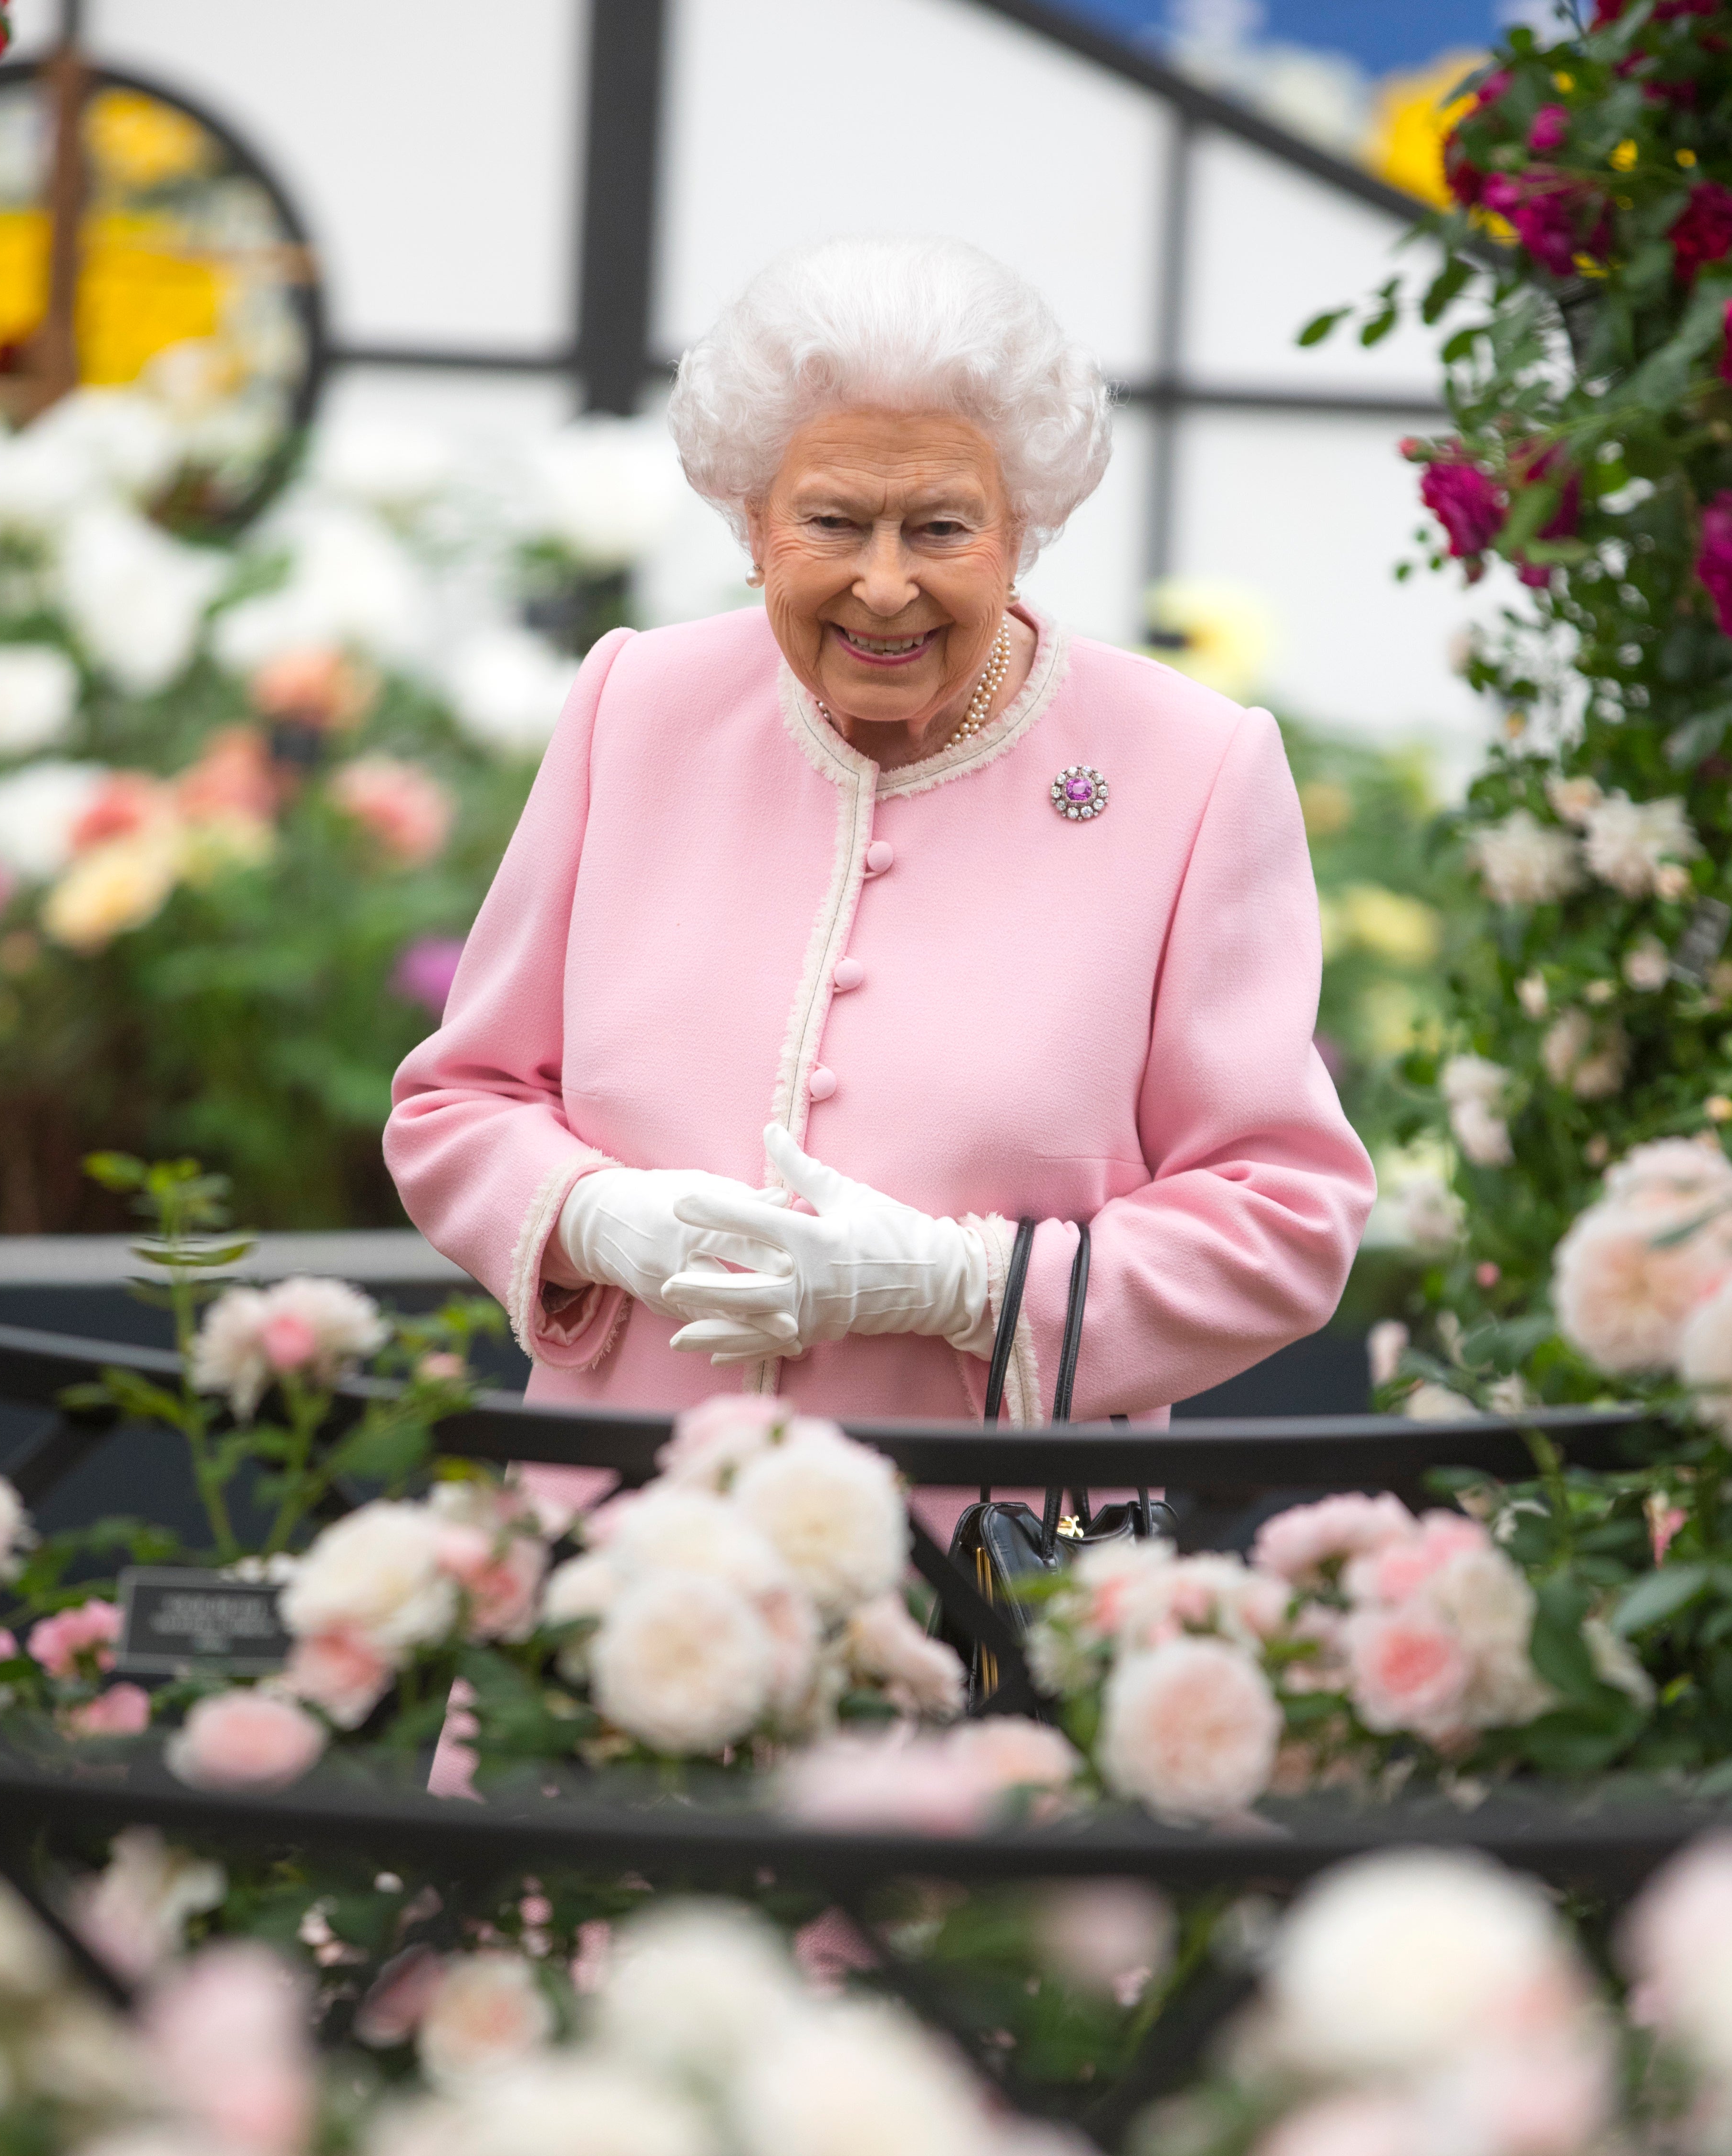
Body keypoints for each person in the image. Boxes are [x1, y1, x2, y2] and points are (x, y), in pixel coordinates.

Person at [384, 235, 1373, 1462]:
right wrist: (591, 1218)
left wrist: (966, 1286)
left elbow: (1285, 1220)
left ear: (1024, 527)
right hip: (618, 1547)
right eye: (834, 522)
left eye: (942, 527)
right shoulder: (635, 704)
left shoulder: (1191, 767)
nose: (886, 585)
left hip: (978, 1562)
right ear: (753, 524)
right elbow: (461, 1102)